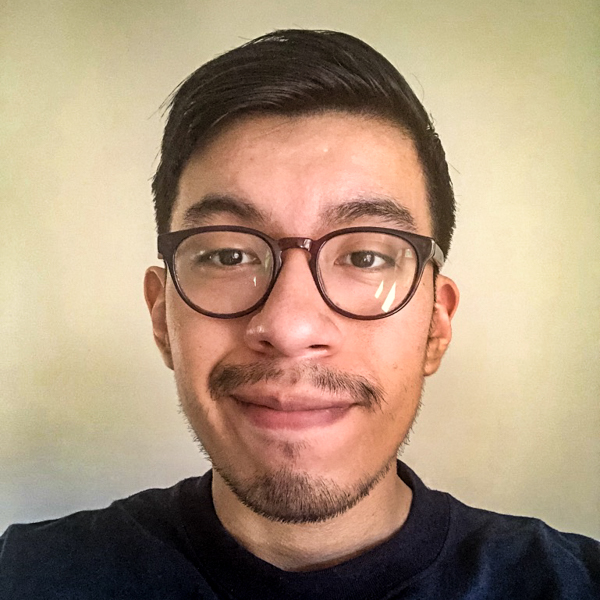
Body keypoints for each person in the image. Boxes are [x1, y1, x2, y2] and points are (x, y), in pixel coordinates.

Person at [0, 29, 598, 600]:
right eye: (229, 254)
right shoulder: (28, 577)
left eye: (364, 256)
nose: (289, 328)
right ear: (162, 318)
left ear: (436, 327)